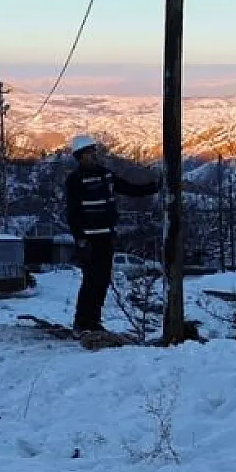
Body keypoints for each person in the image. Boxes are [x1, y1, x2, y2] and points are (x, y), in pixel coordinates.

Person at [63, 134, 160, 334]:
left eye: (93, 152)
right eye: (88, 153)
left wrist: (154, 187)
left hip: (106, 237)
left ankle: (94, 321)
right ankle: (82, 322)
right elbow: (73, 212)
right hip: (89, 239)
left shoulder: (105, 175)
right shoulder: (74, 180)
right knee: (91, 280)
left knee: (102, 281)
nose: (93, 156)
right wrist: (80, 239)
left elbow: (129, 189)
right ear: (79, 156)